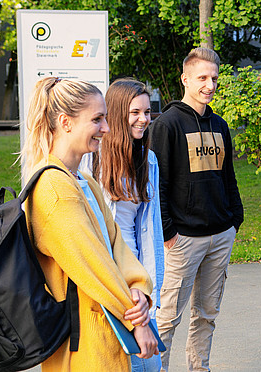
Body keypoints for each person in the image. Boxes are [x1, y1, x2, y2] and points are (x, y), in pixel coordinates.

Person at [20, 77, 159, 371]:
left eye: (105, 118)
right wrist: (136, 320)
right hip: (84, 346)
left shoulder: (84, 181)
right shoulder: (53, 188)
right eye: (97, 119)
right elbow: (94, 265)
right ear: (66, 122)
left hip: (105, 335)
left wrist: (138, 289)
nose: (106, 128)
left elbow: (116, 246)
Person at [148, 47, 244, 372]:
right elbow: (156, 183)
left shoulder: (220, 125)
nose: (210, 84)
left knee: (206, 315)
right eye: (202, 77)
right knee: (168, 318)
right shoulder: (166, 125)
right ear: (185, 79)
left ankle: (199, 368)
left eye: (214, 78)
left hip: (220, 235)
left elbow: (227, 177)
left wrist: (235, 220)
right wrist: (168, 233)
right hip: (183, 239)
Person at [79, 78, 164, 372]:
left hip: (136, 274)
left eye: (147, 112)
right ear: (116, 114)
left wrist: (151, 286)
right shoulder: (89, 161)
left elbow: (151, 231)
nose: (144, 119)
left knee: (150, 364)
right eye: (135, 113)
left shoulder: (148, 160)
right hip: (106, 276)